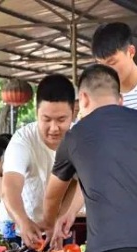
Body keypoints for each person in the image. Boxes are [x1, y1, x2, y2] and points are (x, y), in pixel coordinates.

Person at [43, 64, 137, 252]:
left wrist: (50, 228)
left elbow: (51, 196)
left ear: (82, 100)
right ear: (119, 100)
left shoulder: (75, 135)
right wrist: (72, 211)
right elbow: (113, 172)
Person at [0, 74, 75, 252]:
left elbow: (77, 184)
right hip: (15, 227)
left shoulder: (80, 138)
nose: (53, 128)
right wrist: (23, 221)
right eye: (46, 119)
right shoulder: (24, 139)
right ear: (36, 112)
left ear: (74, 111)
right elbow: (10, 187)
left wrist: (57, 222)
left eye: (61, 119)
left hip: (55, 230)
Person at [54, 21, 137, 239]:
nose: (107, 71)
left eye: (112, 63)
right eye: (101, 65)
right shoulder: (97, 103)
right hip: (112, 228)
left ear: (131, 52)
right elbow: (97, 163)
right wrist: (71, 210)